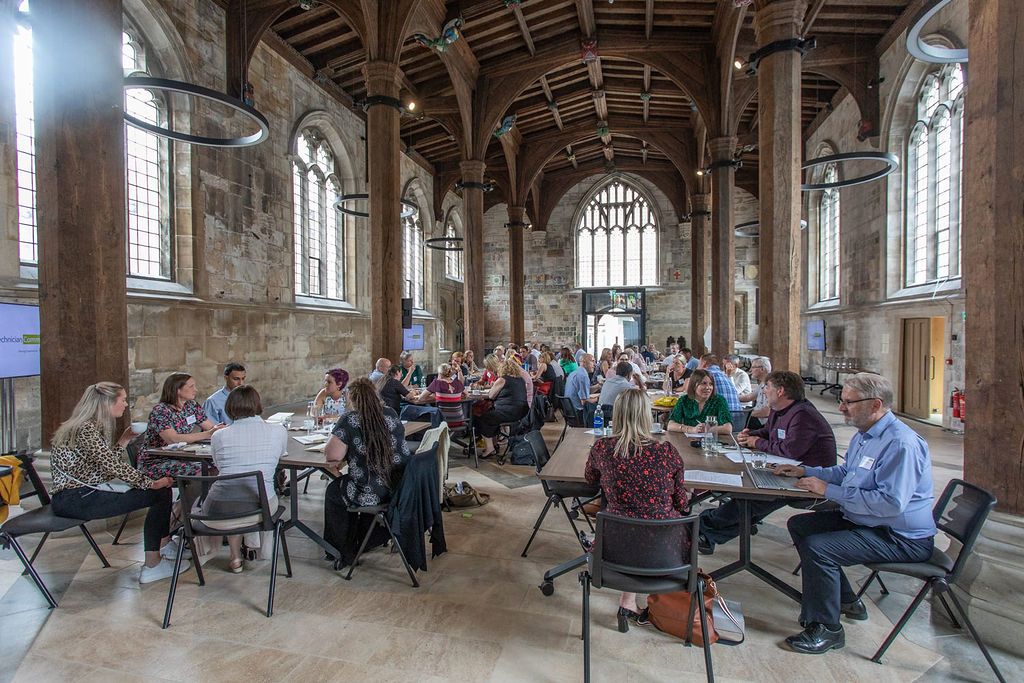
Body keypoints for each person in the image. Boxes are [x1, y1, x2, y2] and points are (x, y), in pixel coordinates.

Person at [776, 373, 936, 655]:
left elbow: (889, 503)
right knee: (801, 525)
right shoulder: (866, 436)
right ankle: (846, 599)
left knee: (820, 547)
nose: (841, 408)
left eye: (848, 402)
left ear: (875, 404)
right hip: (868, 521)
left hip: (900, 537)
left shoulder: (901, 444)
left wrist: (828, 490)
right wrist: (806, 471)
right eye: (841, 401)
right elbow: (846, 473)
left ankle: (827, 629)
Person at [49, 382, 183, 584]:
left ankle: (163, 547)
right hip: (77, 499)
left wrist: (124, 440)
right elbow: (113, 467)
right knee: (160, 494)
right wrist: (150, 483)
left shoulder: (83, 425)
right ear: (107, 403)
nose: (126, 405)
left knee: (159, 492)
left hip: (76, 496)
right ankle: (154, 562)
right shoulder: (86, 429)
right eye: (123, 400)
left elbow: (101, 466)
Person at [700, 371, 839, 555]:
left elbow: (790, 450)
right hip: (786, 471)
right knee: (748, 498)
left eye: (767, 387)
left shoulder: (803, 415)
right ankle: (706, 535)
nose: (763, 391)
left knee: (753, 499)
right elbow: (770, 432)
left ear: (780, 391)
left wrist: (756, 443)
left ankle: (703, 527)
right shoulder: (779, 410)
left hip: (811, 480)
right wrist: (751, 435)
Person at [584, 388, 688, 632]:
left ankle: (628, 602)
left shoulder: (602, 449)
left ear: (617, 415)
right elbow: (681, 503)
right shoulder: (666, 453)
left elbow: (590, 479)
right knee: (645, 520)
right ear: (647, 415)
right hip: (665, 552)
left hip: (614, 549)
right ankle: (634, 602)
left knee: (629, 520)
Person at [323, 378, 411, 568]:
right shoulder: (391, 413)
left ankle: (342, 549)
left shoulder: (350, 419)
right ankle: (366, 538)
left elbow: (332, 455)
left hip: (370, 490)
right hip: (399, 487)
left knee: (334, 492)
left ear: (352, 398)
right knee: (348, 485)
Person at [204, 385, 287, 573]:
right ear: (258, 404)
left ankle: (235, 557)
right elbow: (281, 455)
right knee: (255, 494)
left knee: (234, 492)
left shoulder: (219, 436)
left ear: (230, 407)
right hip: (259, 508)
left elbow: (219, 465)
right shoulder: (278, 431)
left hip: (217, 510)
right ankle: (253, 549)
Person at [139, 373, 224, 480]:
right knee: (202, 471)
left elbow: (211, 428)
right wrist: (207, 434)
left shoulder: (191, 406)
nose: (196, 390)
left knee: (218, 466)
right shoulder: (161, 411)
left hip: (183, 457)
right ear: (177, 390)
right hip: (157, 461)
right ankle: (194, 497)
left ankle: (205, 496)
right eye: (191, 386)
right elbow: (173, 439)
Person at [474, 357, 530, 458]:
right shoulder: (520, 379)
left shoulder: (502, 379)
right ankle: (494, 444)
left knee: (482, 418)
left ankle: (490, 448)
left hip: (508, 411)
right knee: (492, 417)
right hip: (521, 412)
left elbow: (491, 395)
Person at [666, 369, 732, 436]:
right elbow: (670, 425)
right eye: (703, 383)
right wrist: (691, 429)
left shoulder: (719, 400)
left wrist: (708, 429)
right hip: (687, 441)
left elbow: (728, 428)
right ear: (694, 385)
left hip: (713, 442)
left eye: (711, 384)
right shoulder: (684, 400)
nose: (708, 388)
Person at [565, 353, 600, 424]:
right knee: (604, 411)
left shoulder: (574, 373)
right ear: (584, 362)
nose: (595, 364)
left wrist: (598, 386)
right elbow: (584, 402)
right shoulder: (583, 376)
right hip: (578, 413)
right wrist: (599, 398)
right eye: (592, 361)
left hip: (569, 411)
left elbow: (585, 391)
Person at [739, 356, 772, 428]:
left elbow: (767, 412)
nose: (750, 370)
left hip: (763, 423)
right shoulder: (762, 383)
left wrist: (747, 414)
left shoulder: (770, 386)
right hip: (756, 418)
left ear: (762, 369)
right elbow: (749, 397)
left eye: (753, 367)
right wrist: (731, 396)